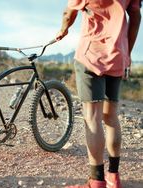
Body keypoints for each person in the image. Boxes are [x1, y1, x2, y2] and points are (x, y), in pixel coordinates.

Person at [56, 0, 141, 188]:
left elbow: (69, 12)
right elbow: (135, 16)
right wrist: (127, 53)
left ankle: (96, 181)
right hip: (118, 56)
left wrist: (63, 29)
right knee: (111, 116)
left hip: (91, 56)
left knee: (92, 117)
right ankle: (114, 177)